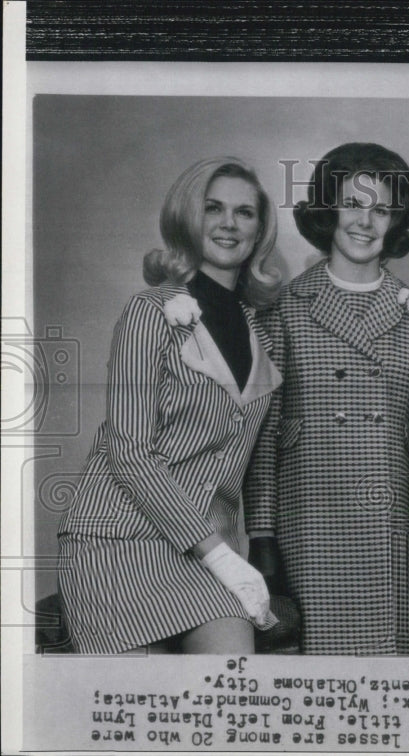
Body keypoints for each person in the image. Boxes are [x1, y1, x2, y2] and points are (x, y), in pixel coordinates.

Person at [58, 157, 284, 654]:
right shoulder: (149, 312)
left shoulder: (262, 332)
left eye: (244, 213)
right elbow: (130, 452)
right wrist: (221, 557)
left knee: (234, 698)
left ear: (259, 229)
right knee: (136, 717)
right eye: (213, 208)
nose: (229, 223)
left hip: (206, 552)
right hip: (119, 540)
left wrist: (231, 554)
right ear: (188, 216)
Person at [244, 142, 409, 655]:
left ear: (397, 222)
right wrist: (263, 535)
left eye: (381, 209)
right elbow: (264, 438)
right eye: (353, 204)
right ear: (327, 209)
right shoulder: (286, 308)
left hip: (389, 528)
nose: (365, 221)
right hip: (308, 526)